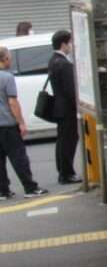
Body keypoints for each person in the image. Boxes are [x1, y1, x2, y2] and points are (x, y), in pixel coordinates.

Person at [0, 45, 48, 199]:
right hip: (7, 124)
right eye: (9, 57)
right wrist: (21, 122)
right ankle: (30, 188)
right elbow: (12, 102)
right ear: (5, 59)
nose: (10, 60)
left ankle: (3, 191)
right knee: (19, 157)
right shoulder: (7, 77)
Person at [48, 30, 81, 185]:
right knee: (69, 140)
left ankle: (62, 171)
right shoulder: (64, 64)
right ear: (64, 44)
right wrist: (79, 106)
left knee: (62, 140)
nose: (71, 46)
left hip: (59, 108)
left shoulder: (53, 60)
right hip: (68, 109)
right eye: (70, 42)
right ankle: (67, 174)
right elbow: (70, 90)